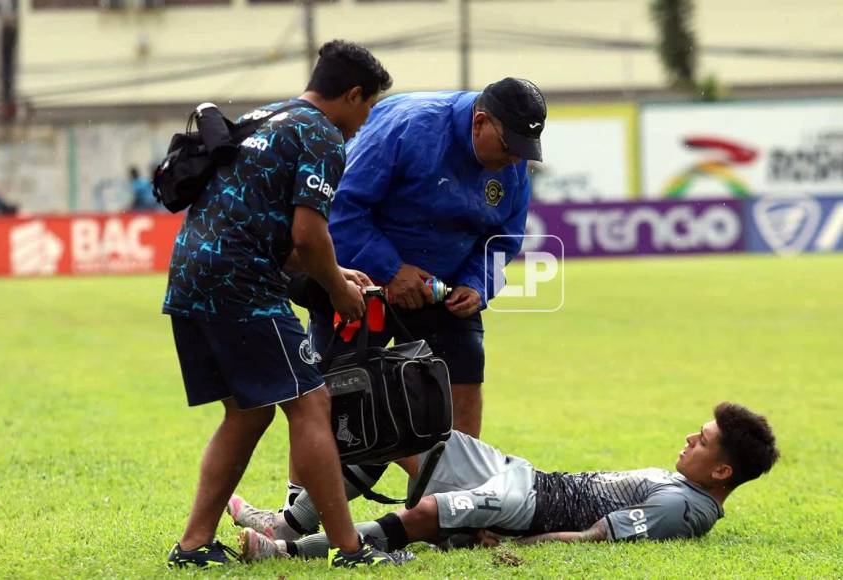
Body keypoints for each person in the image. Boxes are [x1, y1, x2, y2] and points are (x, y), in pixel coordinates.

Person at [161, 40, 397, 569]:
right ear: (353, 95)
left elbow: (277, 233)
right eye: (367, 109)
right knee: (310, 403)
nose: (363, 123)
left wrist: (336, 272)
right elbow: (309, 236)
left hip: (190, 276)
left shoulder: (260, 118)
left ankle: (194, 547)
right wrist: (339, 291)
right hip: (241, 285)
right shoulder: (321, 135)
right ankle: (350, 550)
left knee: (247, 413)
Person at [279, 77, 548, 510]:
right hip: (362, 279)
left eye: (524, 150)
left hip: (443, 289)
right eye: (509, 146)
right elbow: (343, 208)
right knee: (331, 390)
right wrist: (390, 270)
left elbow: (504, 238)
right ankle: (299, 504)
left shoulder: (512, 164)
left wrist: (477, 286)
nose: (515, 159)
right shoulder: (407, 127)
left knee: (462, 379)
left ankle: (456, 501)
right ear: (479, 122)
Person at [230, 402, 779, 562]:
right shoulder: (682, 485)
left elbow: (597, 536)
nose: (689, 437)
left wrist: (516, 542)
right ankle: (285, 521)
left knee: (430, 513)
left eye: (702, 441)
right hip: (525, 475)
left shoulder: (687, 509)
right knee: (405, 431)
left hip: (529, 504)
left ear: (722, 472)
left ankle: (290, 551)